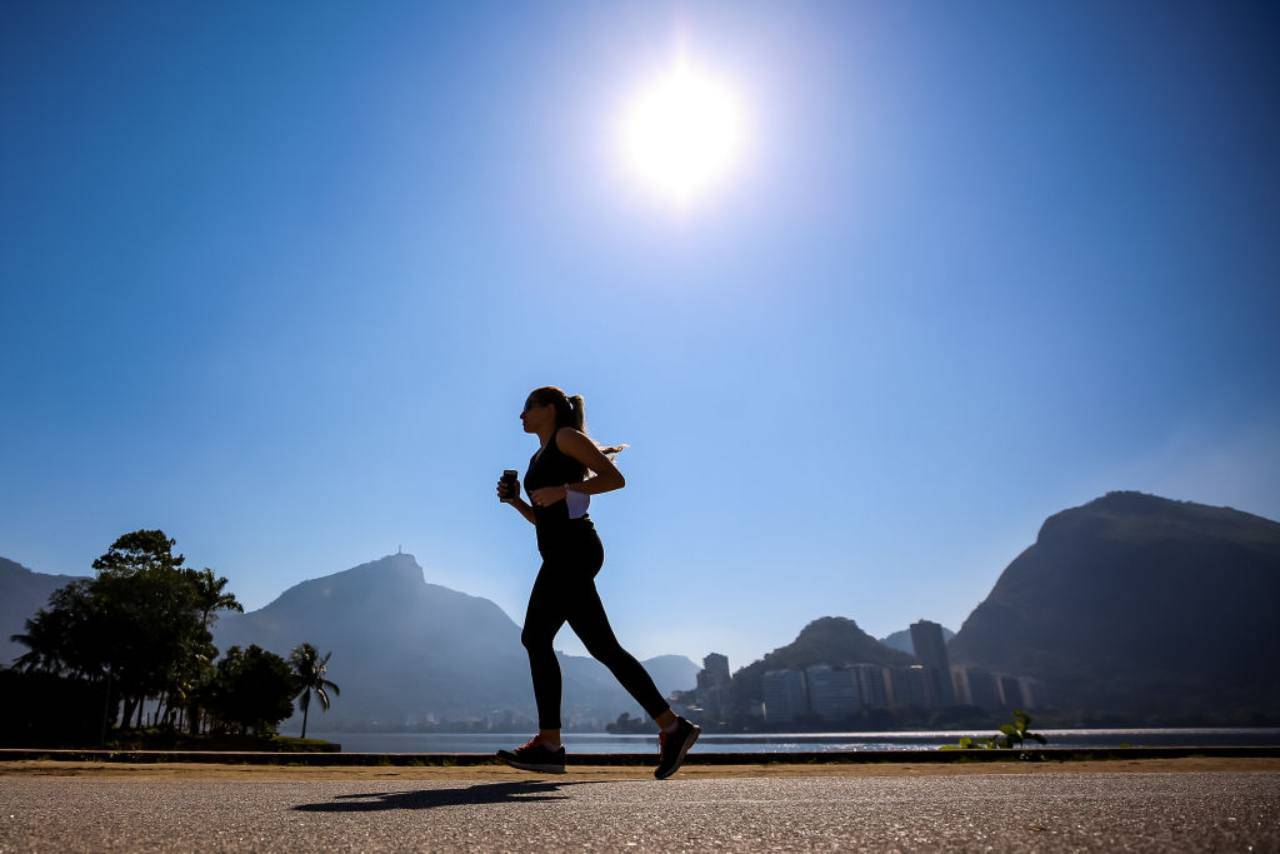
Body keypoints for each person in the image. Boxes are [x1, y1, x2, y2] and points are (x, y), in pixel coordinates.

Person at [495, 386, 700, 779]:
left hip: (575, 551)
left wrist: (564, 489)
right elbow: (545, 518)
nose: (520, 416)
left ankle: (550, 745)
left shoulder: (566, 437)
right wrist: (518, 502)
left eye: (527, 408)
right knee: (603, 647)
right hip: (561, 554)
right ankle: (674, 727)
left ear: (549, 408)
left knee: (536, 638)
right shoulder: (537, 456)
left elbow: (614, 478)